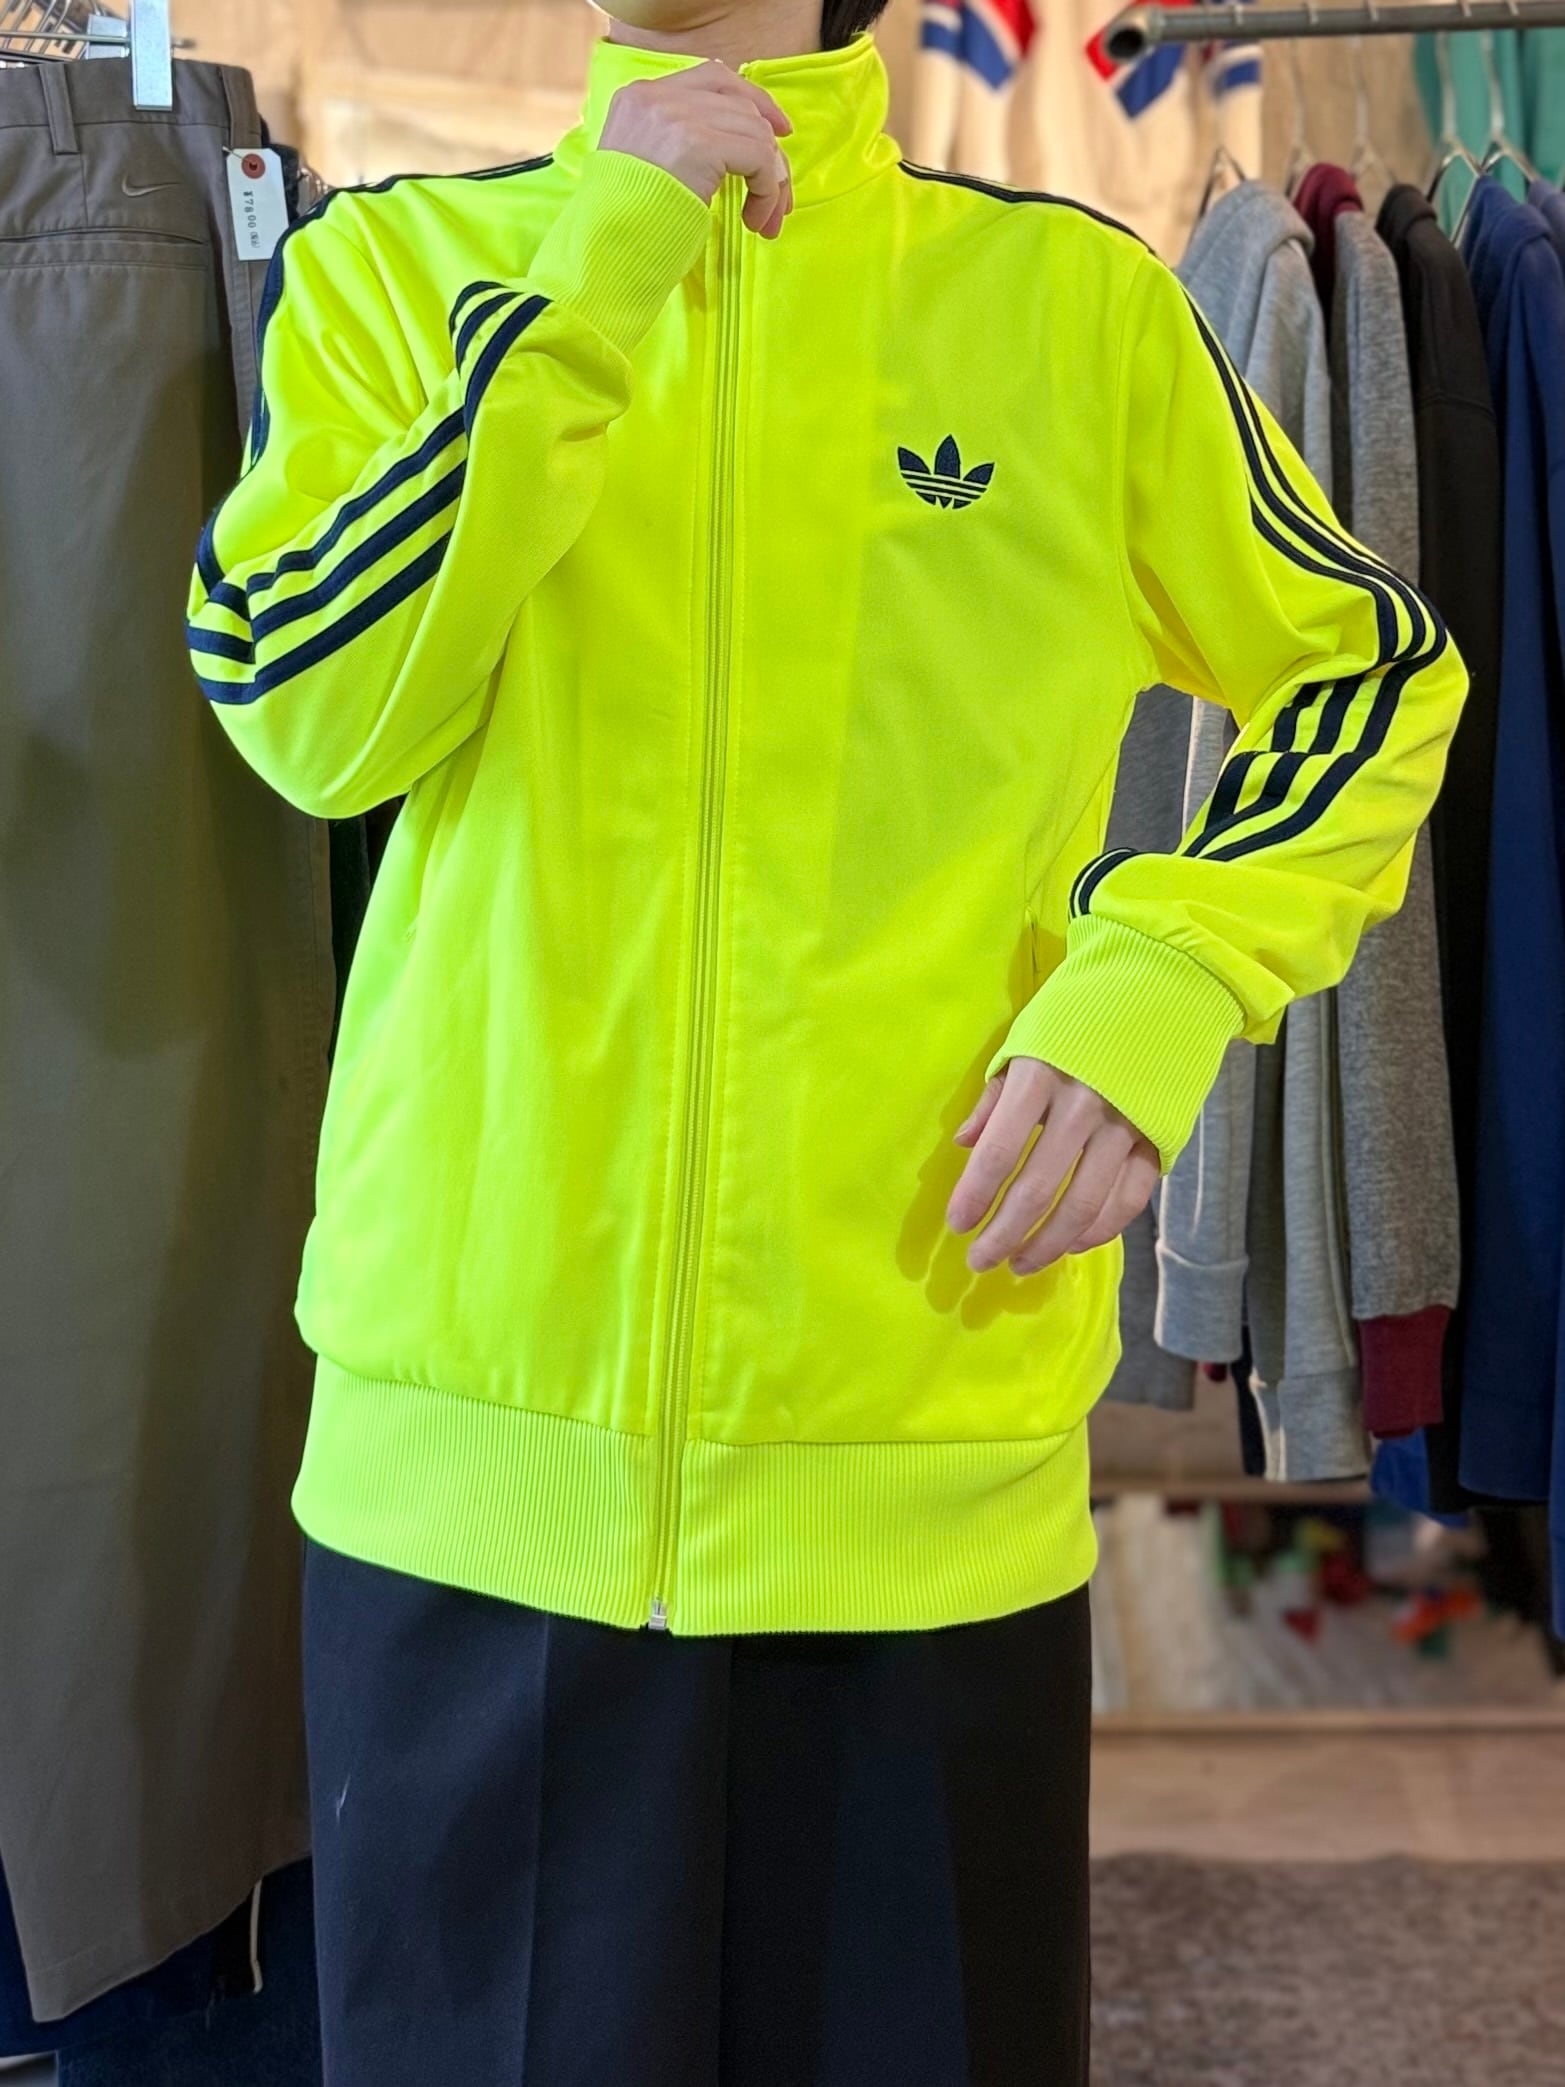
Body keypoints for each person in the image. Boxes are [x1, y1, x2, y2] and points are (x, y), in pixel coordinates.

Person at [185, 0, 1466, 2073]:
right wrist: (594, 273)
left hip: (918, 1485)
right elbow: (311, 712)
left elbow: (1372, 675)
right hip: (467, 1505)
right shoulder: (396, 269)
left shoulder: (1072, 307)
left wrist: (1158, 983)